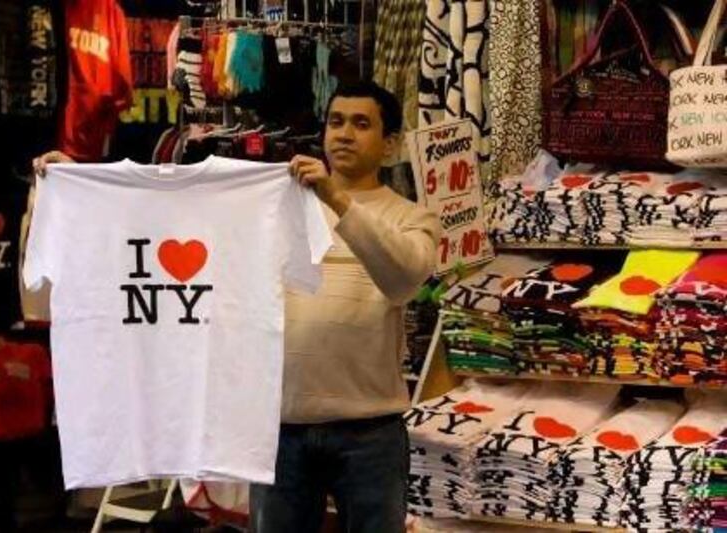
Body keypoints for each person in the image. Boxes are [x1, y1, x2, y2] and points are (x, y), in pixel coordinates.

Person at [34, 81, 441, 533]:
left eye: (361, 124)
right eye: (336, 122)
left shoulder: (411, 217)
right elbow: (171, 211)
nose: (344, 134)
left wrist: (336, 199)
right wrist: (81, 183)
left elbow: (405, 277)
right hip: (277, 427)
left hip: (370, 430)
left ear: (389, 144)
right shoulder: (277, 203)